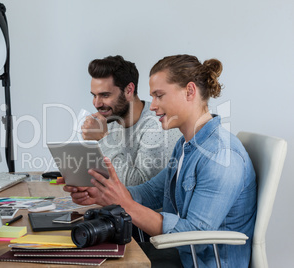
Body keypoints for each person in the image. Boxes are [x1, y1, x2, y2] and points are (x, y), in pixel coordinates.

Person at [61, 54, 257, 267]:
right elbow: (149, 193)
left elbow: (196, 238)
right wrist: (102, 194)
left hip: (200, 261)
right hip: (181, 254)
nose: (152, 106)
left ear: (189, 91)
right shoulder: (185, 145)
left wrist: (125, 204)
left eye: (159, 96)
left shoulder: (219, 154)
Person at [81, 55, 180, 186]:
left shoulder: (158, 125)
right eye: (94, 95)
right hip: (113, 204)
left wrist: (103, 139)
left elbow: (138, 186)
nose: (97, 104)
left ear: (129, 90)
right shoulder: (109, 120)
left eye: (105, 95)